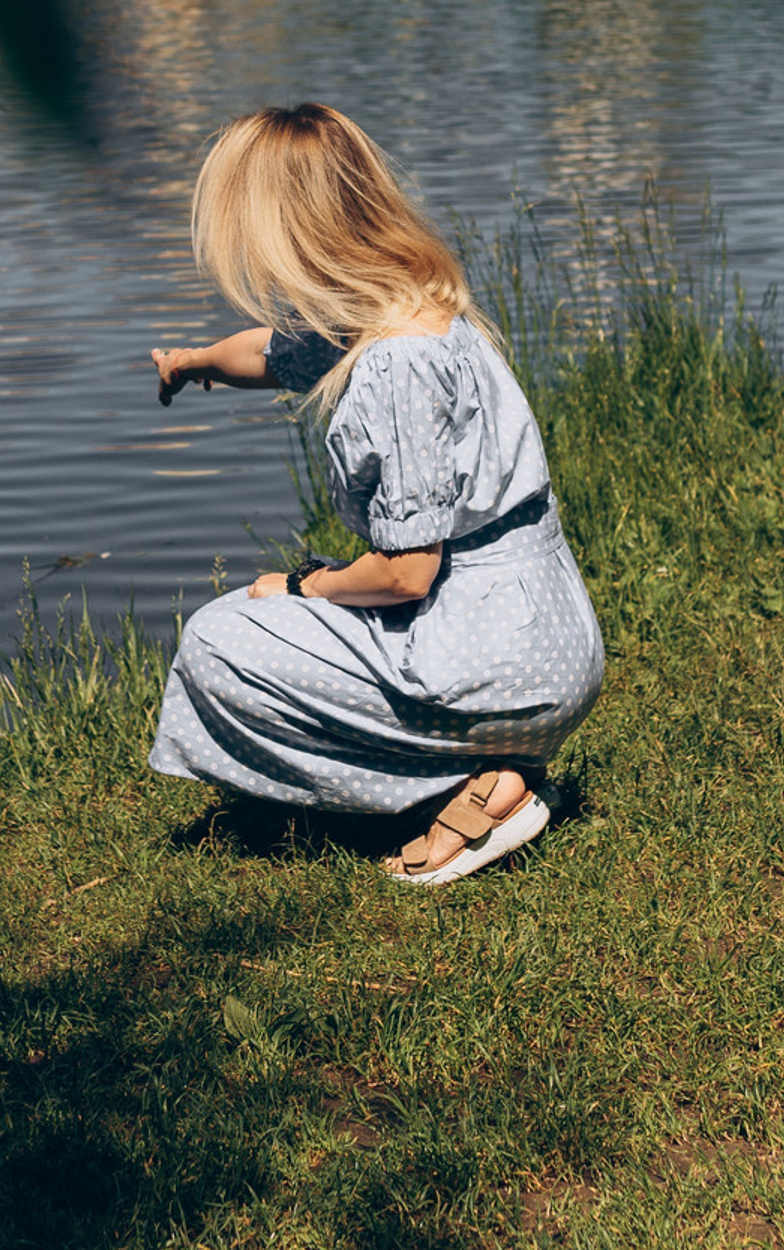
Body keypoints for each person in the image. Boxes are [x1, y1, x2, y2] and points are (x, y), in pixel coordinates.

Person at [147, 104, 604, 887]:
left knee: (219, 642)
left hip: (499, 655)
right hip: (541, 630)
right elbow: (269, 350)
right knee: (277, 618)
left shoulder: (393, 366)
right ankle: (484, 762)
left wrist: (300, 584)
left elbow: (404, 575)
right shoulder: (417, 305)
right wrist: (196, 361)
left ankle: (469, 791)